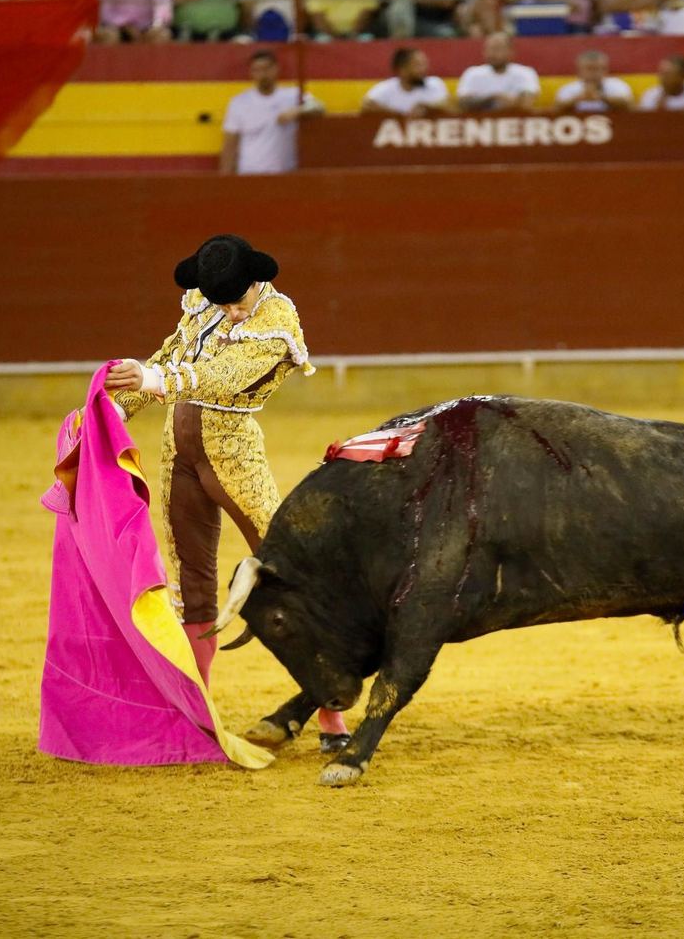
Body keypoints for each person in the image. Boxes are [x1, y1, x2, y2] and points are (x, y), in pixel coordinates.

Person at [102, 233, 351, 754]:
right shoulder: (200, 303)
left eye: (238, 302)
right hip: (180, 454)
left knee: (290, 573)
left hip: (236, 455)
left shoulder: (277, 319)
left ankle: (329, 714)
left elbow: (222, 378)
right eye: (224, 304)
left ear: (257, 282)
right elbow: (172, 355)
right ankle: (195, 713)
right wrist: (115, 409)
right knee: (190, 583)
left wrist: (151, 378)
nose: (233, 313)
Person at [219, 49, 324, 174]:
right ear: (251, 73)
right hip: (250, 173)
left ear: (276, 69)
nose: (263, 74)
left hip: (285, 173)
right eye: (257, 70)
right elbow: (230, 144)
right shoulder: (239, 102)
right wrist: (225, 177)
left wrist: (298, 111)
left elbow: (318, 107)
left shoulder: (292, 96)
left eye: (266, 69)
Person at [455, 30, 537, 112]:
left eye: (497, 49)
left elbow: (526, 104)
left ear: (510, 51)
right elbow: (463, 104)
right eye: (488, 49)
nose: (491, 53)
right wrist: (493, 97)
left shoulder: (525, 73)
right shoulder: (473, 73)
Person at [362, 46, 449, 115]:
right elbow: (367, 105)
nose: (424, 69)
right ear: (402, 69)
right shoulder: (388, 87)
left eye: (424, 64)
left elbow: (446, 105)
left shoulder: (434, 83)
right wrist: (398, 115)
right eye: (417, 65)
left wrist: (426, 107)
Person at [553, 49, 632, 114]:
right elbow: (557, 109)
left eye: (598, 68)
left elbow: (628, 106)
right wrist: (579, 98)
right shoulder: (569, 88)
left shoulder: (617, 85)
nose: (594, 73)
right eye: (589, 69)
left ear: (605, 70)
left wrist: (601, 97)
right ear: (580, 70)